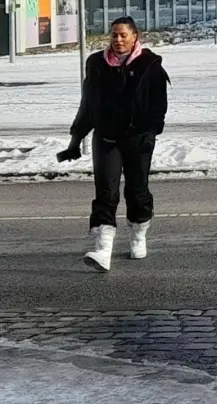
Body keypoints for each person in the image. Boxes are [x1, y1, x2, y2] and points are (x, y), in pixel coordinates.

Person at [57, 16, 169, 271]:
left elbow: (159, 105)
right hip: (106, 138)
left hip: (138, 139)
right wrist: (76, 139)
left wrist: (151, 133)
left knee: (137, 191)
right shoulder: (96, 64)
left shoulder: (150, 65)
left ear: (135, 37)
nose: (118, 40)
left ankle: (138, 235)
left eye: (123, 35)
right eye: (114, 35)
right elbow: (88, 105)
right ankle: (102, 249)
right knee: (106, 192)